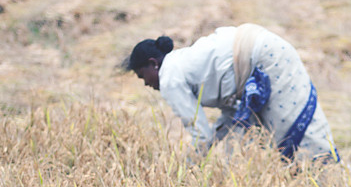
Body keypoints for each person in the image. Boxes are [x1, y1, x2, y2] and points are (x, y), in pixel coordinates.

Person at [126, 25, 339, 163]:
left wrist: (187, 168)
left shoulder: (169, 76)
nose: (145, 84)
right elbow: (229, 117)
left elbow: (200, 134)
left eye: (141, 76)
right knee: (263, 140)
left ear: (153, 65)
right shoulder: (183, 63)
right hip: (267, 47)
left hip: (265, 57)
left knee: (297, 136)